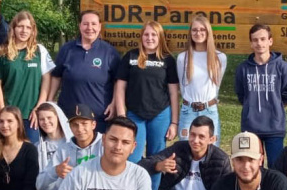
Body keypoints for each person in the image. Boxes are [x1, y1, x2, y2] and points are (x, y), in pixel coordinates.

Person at [114, 21, 180, 163]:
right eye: (146, 34)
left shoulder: (168, 60)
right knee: (132, 157)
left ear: (160, 37)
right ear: (141, 37)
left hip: (160, 114)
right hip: (134, 114)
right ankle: (132, 186)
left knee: (156, 158)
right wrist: (121, 115)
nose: (149, 38)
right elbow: (120, 87)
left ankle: (153, 186)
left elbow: (174, 93)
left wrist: (174, 122)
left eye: (153, 34)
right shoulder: (131, 56)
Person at [49, 10, 120, 133]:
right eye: (86, 24)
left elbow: (118, 81)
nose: (90, 28)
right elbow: (56, 77)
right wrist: (50, 101)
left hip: (100, 117)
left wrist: (114, 103)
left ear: (99, 26)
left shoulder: (109, 52)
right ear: (80, 26)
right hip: (69, 117)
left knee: (96, 152)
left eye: (93, 24)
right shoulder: (67, 49)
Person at [234, 24, 287, 167]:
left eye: (263, 39)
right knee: (251, 166)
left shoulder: (282, 67)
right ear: (251, 43)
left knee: (276, 167)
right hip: (250, 127)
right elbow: (241, 94)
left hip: (274, 127)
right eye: (255, 40)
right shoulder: (243, 68)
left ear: (270, 41)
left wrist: (275, 107)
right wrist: (251, 108)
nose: (259, 43)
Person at [0, 11, 55, 144]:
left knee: (32, 154)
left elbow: (47, 80)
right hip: (10, 115)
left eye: (28, 27)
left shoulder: (39, 51)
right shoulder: (1, 53)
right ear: (13, 29)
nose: (24, 31)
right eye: (20, 26)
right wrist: (2, 111)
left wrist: (39, 107)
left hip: (31, 115)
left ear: (33, 31)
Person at [177, 16, 227, 143]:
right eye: (194, 30)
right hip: (188, 110)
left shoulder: (219, 58)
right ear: (190, 33)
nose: (198, 33)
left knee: (211, 149)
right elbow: (183, 87)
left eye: (202, 30)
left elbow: (217, 85)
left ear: (208, 32)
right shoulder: (183, 58)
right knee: (186, 149)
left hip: (209, 110)